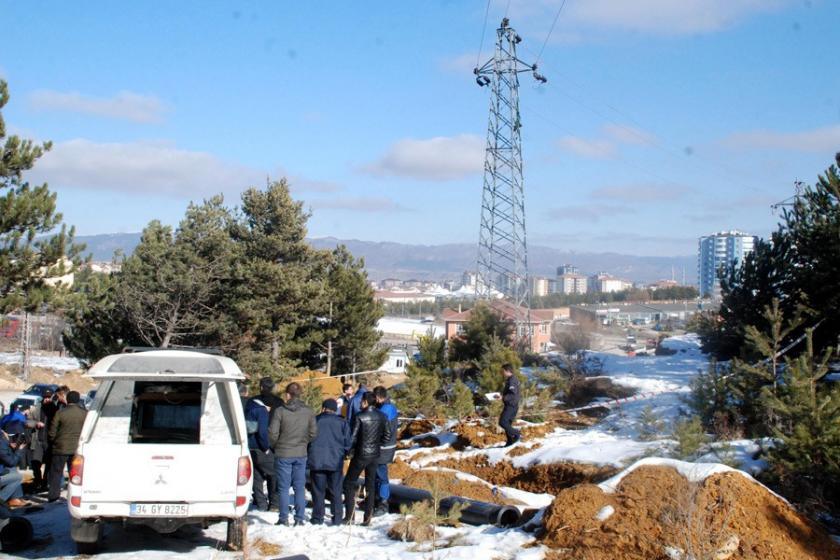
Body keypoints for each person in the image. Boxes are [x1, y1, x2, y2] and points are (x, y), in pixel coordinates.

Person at [268, 382, 317, 526]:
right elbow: (314, 433)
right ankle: (299, 518)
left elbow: (272, 433)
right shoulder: (308, 411)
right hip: (301, 452)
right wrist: (304, 442)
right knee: (299, 487)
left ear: (287, 395)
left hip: (283, 452)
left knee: (283, 488)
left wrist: (276, 445)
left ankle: (284, 518)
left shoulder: (280, 411)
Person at [342, 392, 390, 526]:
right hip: (375, 455)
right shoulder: (383, 416)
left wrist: (349, 450)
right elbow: (387, 436)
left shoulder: (360, 416)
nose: (360, 403)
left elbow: (353, 437)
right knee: (370, 484)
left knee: (349, 483)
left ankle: (349, 516)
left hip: (361, 454)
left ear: (365, 402)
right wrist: (377, 445)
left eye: (362, 401)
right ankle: (367, 517)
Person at [307, 399, 350, 525]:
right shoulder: (342, 422)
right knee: (336, 490)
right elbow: (348, 442)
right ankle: (337, 518)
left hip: (317, 460)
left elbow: (307, 439)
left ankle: (317, 517)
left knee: (318, 491)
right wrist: (344, 453)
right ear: (335, 409)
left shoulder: (315, 420)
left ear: (323, 408)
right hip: (335, 461)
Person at [47, 390, 87, 502]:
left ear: (67, 399)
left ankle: (54, 497)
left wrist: (54, 441)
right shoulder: (84, 413)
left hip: (60, 447)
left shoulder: (60, 413)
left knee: (56, 473)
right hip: (77, 448)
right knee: (75, 474)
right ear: (78, 400)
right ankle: (74, 496)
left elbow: (52, 431)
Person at [245, 390, 278, 512]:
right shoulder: (261, 410)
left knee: (257, 476)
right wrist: (266, 447)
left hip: (250, 447)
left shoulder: (249, 406)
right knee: (274, 472)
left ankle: (261, 504)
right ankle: (274, 503)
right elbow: (262, 432)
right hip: (260, 447)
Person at [373, 386, 398, 516]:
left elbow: (383, 430)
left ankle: (383, 502)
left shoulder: (386, 410)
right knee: (376, 474)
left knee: (381, 475)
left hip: (384, 448)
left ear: (378, 397)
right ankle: (376, 498)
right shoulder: (388, 407)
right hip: (385, 447)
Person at [0, 432, 26, 508]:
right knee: (18, 477)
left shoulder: (3, 443)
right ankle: (1, 499)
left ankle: (15, 499)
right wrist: (19, 450)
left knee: (13, 469)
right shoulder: (2, 445)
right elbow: (11, 462)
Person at [498, 364, 521, 447]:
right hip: (512, 405)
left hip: (511, 406)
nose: (502, 373)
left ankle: (517, 433)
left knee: (502, 422)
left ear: (508, 371)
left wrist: (503, 397)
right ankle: (510, 441)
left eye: (503, 371)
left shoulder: (512, 380)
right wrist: (502, 395)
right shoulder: (511, 379)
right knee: (507, 424)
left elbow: (513, 395)